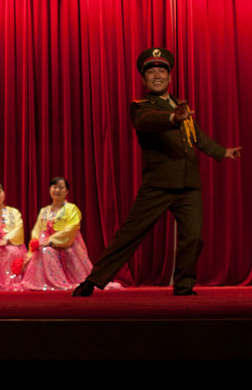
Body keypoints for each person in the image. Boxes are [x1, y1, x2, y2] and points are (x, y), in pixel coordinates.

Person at [73, 47, 242, 297]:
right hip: (158, 185)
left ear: (170, 77)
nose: (157, 75)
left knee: (193, 238)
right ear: (144, 79)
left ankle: (184, 286)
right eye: (151, 72)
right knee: (130, 235)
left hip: (189, 185)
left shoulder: (179, 104)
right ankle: (93, 280)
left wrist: (221, 151)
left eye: (161, 71)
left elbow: (196, 135)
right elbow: (147, 121)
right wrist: (173, 118)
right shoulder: (141, 107)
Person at [20, 177, 93, 290]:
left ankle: (57, 282)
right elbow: (37, 230)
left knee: (46, 251)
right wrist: (36, 243)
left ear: (67, 191)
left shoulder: (71, 209)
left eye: (61, 187)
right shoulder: (45, 211)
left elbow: (72, 228)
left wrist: (50, 241)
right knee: (43, 251)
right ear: (50, 189)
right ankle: (43, 283)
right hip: (45, 245)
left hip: (66, 245)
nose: (57, 190)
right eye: (54, 187)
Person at [0, 181, 27, 285]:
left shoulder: (13, 212)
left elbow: (18, 229)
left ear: (4, 193)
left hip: (11, 244)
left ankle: (10, 282)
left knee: (9, 252)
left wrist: (7, 240)